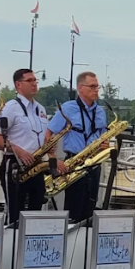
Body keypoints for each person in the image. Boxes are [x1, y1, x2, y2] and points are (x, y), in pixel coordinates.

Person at [45, 72, 107, 223]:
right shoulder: (67, 108)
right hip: (74, 162)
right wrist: (54, 159)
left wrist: (106, 146)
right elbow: (48, 134)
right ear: (80, 88)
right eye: (92, 86)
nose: (96, 90)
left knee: (90, 209)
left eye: (97, 86)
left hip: (94, 163)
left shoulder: (100, 111)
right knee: (74, 209)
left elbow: (103, 137)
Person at [0, 69, 49, 227]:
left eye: (35, 80)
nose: (34, 84)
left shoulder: (41, 109)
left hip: (36, 165)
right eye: (30, 81)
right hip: (15, 165)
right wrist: (17, 150)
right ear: (18, 85)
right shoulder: (10, 108)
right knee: (14, 215)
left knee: (34, 215)